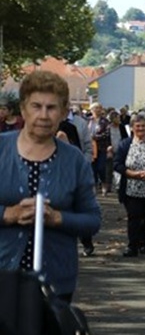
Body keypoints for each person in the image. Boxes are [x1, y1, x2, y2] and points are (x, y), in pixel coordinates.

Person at [0, 71, 101, 301]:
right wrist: (9, 214)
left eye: (51, 108)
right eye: (36, 106)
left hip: (55, 283)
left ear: (63, 113)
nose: (43, 115)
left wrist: (57, 218)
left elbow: (92, 220)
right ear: (23, 109)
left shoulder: (74, 160)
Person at [113, 112, 145, 257]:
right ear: (132, 128)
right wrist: (131, 173)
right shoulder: (125, 144)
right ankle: (132, 246)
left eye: (143, 126)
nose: (140, 129)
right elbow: (117, 164)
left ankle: (143, 244)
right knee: (134, 217)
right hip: (131, 188)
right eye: (138, 126)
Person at [87, 102, 111, 196]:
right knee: (92, 168)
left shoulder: (105, 121)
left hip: (101, 148)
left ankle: (104, 183)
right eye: (95, 108)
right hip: (90, 148)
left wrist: (94, 137)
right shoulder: (87, 120)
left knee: (101, 168)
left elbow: (107, 133)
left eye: (99, 108)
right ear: (91, 110)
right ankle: (94, 186)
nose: (97, 110)